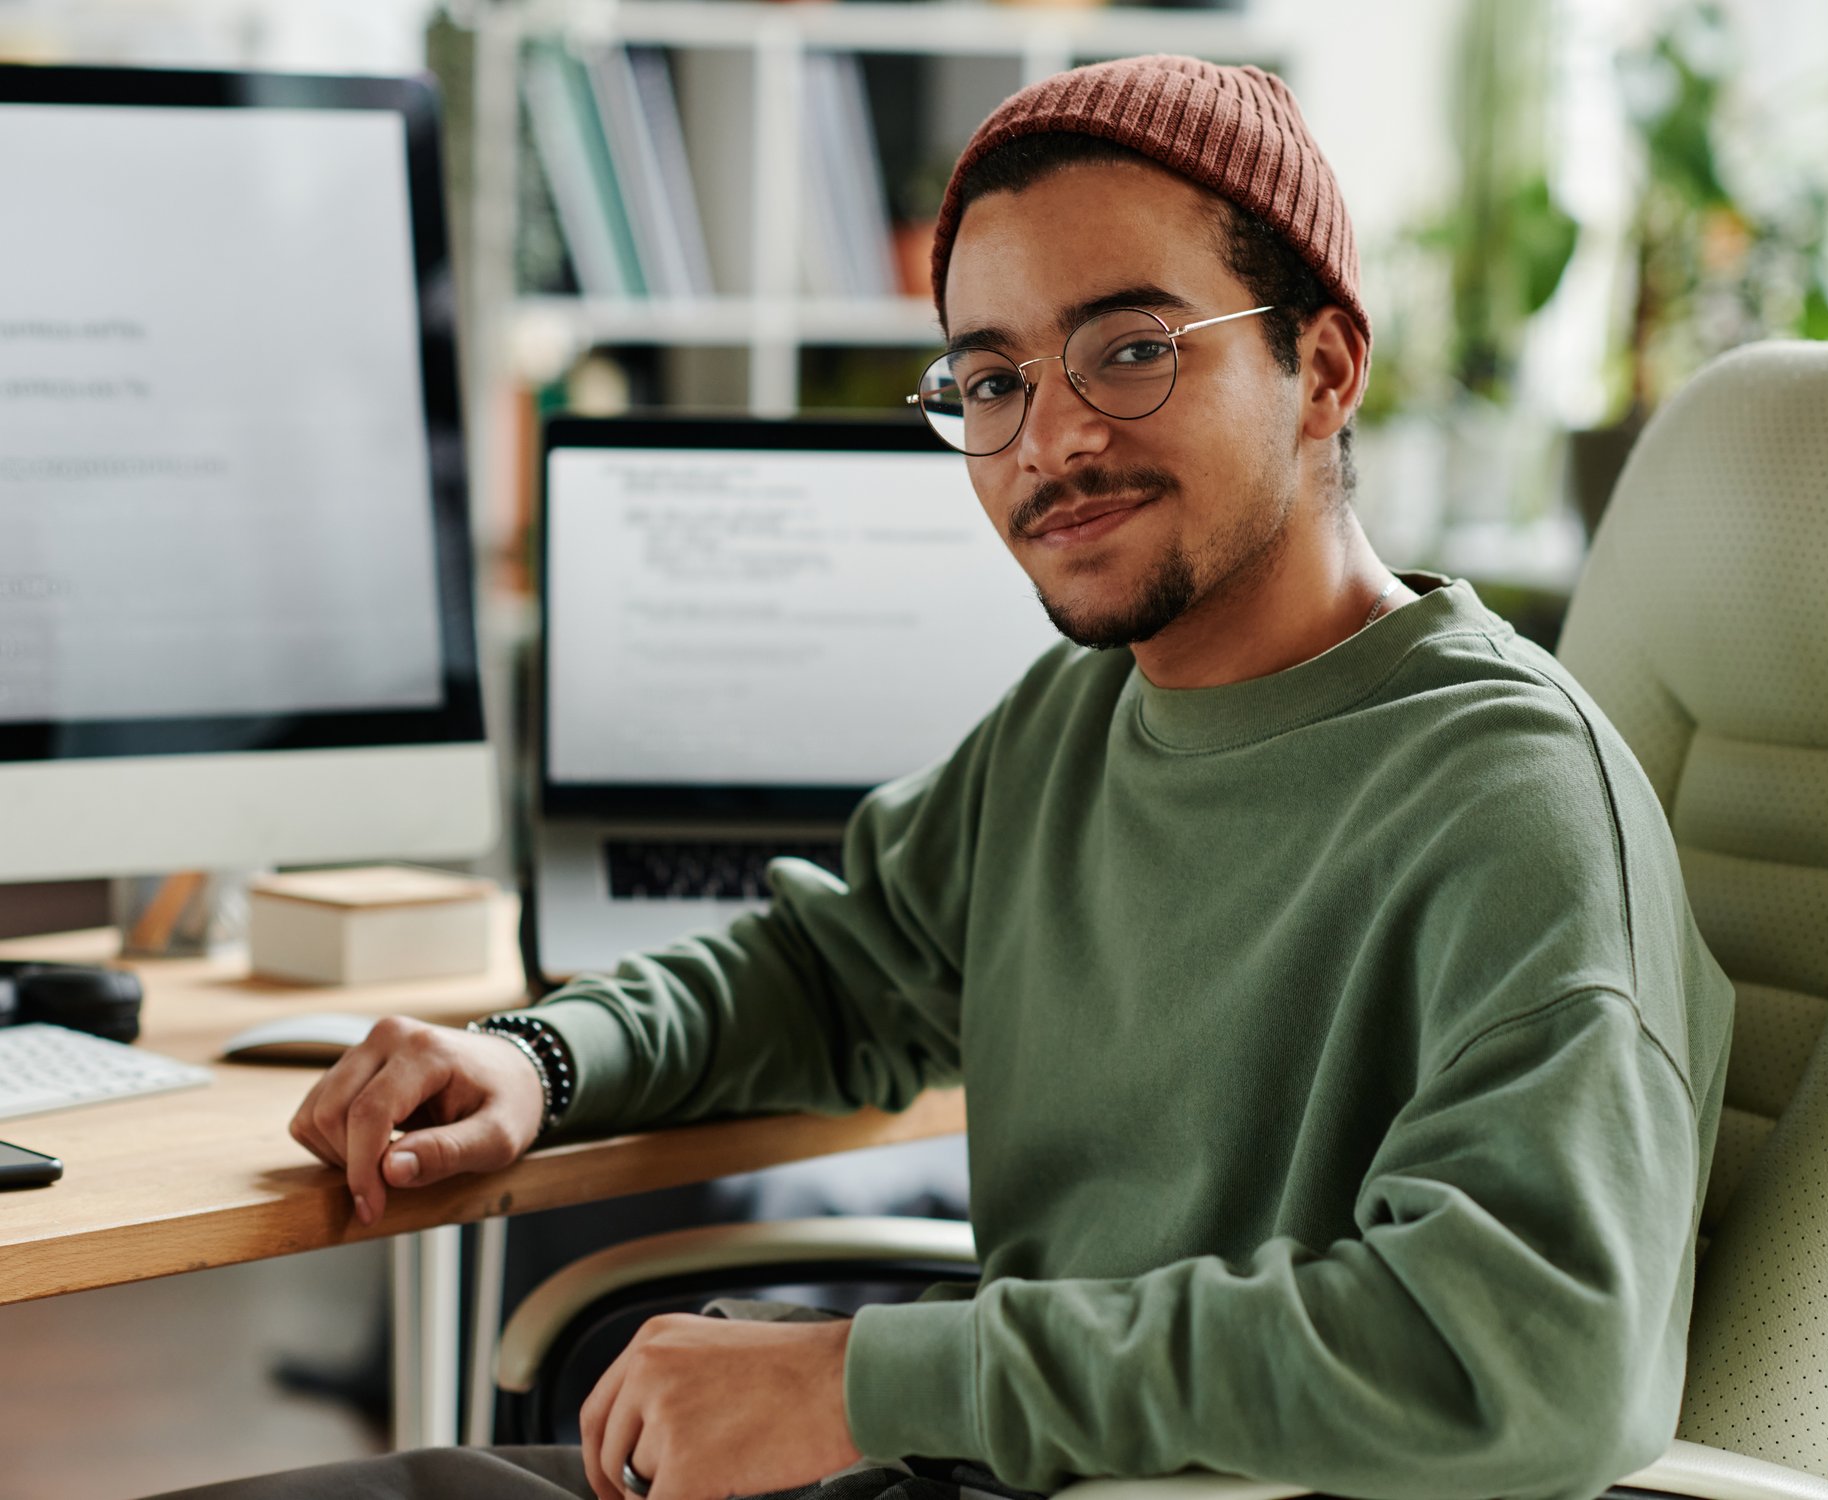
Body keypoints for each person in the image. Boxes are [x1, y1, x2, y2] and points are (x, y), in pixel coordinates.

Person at [151, 55, 1733, 1500]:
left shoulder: (1511, 803)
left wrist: (870, 1380)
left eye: (1130, 350)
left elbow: (1537, 1359)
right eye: (989, 381)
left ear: (1323, 368)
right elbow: (833, 969)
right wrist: (542, 1063)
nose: (1047, 443)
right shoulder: (1077, 721)